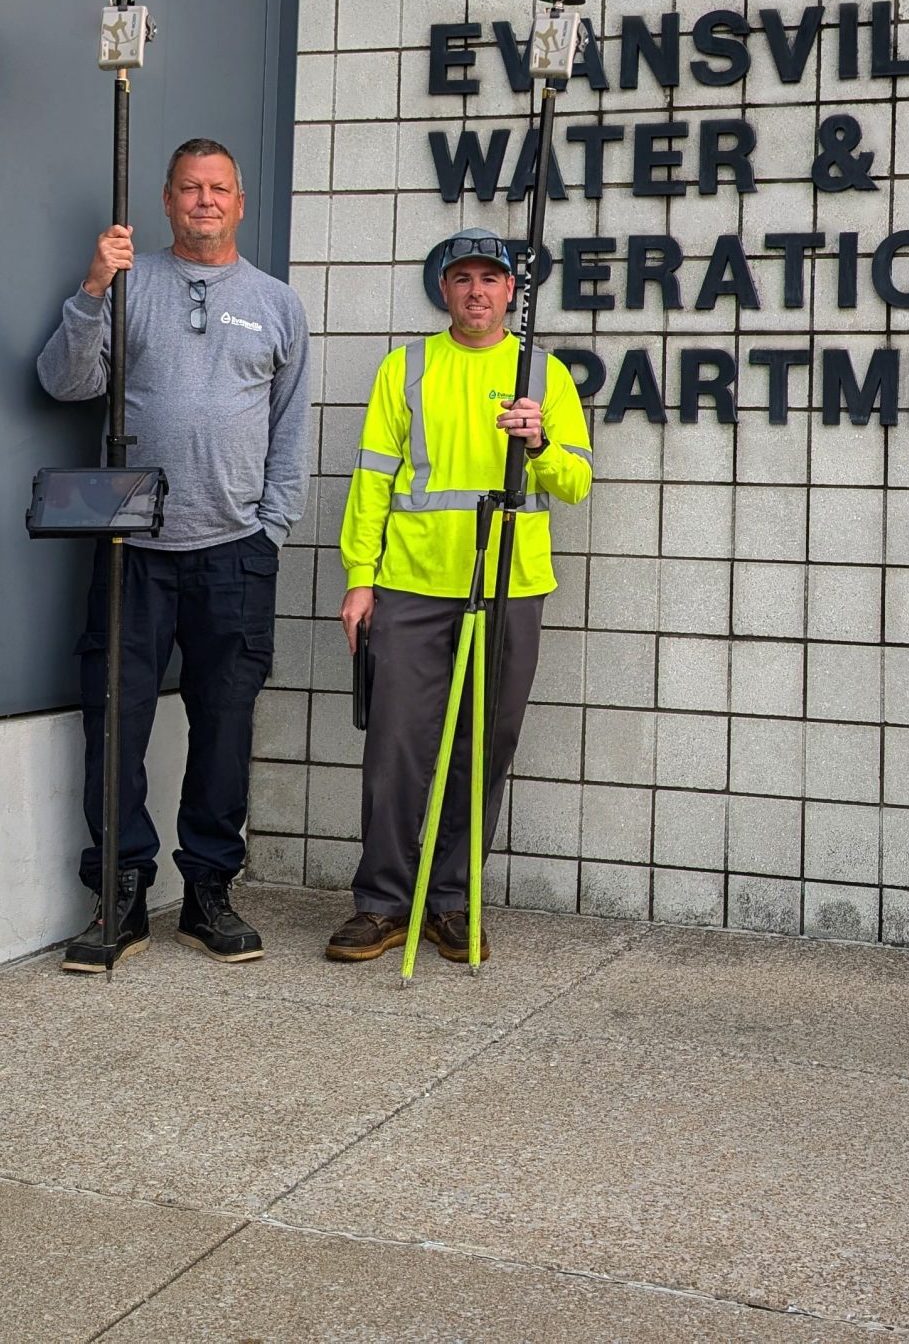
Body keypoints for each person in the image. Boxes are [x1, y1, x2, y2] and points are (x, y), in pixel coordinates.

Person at [38, 138, 311, 971]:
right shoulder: (128, 285)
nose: (204, 200)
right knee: (115, 721)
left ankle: (208, 893)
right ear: (165, 200)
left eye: (218, 188)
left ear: (238, 200)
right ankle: (120, 893)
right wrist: (92, 290)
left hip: (235, 552)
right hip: (132, 550)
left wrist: (272, 527)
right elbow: (63, 382)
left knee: (224, 729)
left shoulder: (275, 303)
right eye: (189, 188)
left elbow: (290, 427)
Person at [326, 232, 594, 966]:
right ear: (443, 290)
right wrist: (360, 575)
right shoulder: (406, 367)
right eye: (462, 278)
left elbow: (576, 482)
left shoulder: (543, 373)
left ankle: (451, 901)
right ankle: (380, 904)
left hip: (509, 587)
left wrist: (539, 445)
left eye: (490, 279)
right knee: (395, 750)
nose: (477, 291)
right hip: (411, 585)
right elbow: (373, 478)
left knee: (484, 750)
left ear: (512, 292)